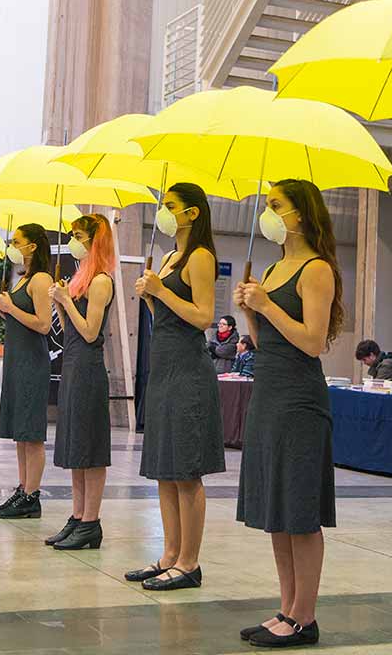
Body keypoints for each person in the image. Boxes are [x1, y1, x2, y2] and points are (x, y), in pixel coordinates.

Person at [233, 179, 339, 648]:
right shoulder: (275, 267)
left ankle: (305, 615)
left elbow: (313, 341)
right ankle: (286, 607)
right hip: (269, 394)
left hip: (299, 399)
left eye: (277, 205)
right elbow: (265, 342)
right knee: (277, 509)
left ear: (301, 214)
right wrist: (250, 314)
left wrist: (267, 305)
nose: (269, 212)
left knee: (299, 511)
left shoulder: (317, 269)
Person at [130, 183, 226, 591]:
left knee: (186, 470)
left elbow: (204, 316)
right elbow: (168, 314)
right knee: (164, 469)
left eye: (170, 206)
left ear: (192, 214)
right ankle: (170, 554)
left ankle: (190, 561)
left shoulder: (199, 256)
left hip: (188, 370)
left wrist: (162, 291)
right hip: (163, 368)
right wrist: (152, 298)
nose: (165, 212)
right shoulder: (169, 257)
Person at [47, 213, 115, 551]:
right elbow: (67, 329)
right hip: (72, 365)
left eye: (78, 234)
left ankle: (91, 521)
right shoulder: (80, 279)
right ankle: (77, 516)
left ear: (94, 239)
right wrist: (60, 302)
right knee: (75, 447)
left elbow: (90, 332)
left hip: (88, 368)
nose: (73, 240)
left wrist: (65, 303)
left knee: (90, 448)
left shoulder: (101, 281)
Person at [0, 224, 54, 519]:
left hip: (32, 361)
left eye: (17, 241)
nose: (12, 245)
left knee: (31, 432)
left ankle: (33, 493)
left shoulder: (41, 279)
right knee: (20, 431)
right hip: (17, 358)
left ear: (32, 246)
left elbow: (43, 324)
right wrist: (5, 309)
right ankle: (22, 488)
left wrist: (12, 309)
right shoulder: (22, 278)